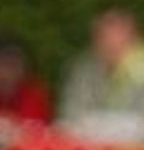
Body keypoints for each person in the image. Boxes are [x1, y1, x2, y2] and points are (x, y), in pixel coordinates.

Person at [59, 8, 144, 142]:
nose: (113, 46)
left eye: (121, 39)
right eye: (105, 38)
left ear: (135, 39)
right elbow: (69, 118)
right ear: (95, 40)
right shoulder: (81, 69)